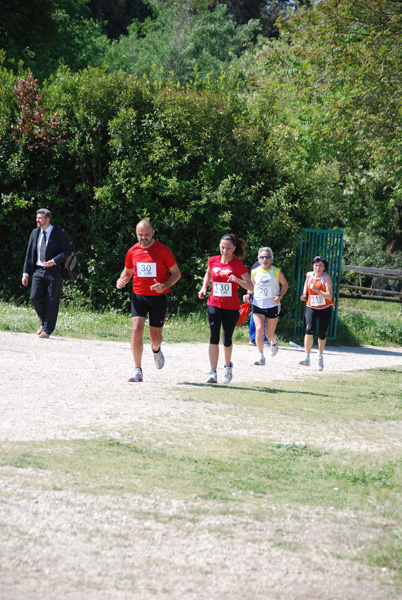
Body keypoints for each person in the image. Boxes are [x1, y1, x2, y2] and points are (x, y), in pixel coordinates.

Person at [116, 219, 181, 382]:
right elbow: (127, 271)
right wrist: (121, 280)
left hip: (158, 298)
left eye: (146, 234)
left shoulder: (163, 251)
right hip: (139, 296)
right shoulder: (133, 251)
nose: (143, 238)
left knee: (155, 337)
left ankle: (156, 349)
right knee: (136, 330)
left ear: (153, 233)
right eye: (140, 235)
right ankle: (137, 370)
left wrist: (164, 285)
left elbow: (176, 273)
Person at [198, 233, 253, 384]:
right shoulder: (213, 261)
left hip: (231, 306)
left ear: (234, 248)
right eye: (222, 247)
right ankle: (212, 372)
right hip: (214, 302)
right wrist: (203, 288)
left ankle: (227, 366)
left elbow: (250, 286)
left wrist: (237, 280)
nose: (225, 251)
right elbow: (208, 274)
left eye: (228, 248)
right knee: (214, 333)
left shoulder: (238, 265)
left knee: (226, 339)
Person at [22, 208, 72, 338]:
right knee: (34, 297)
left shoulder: (59, 233)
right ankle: (43, 322)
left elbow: (67, 251)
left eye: (40, 218)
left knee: (52, 301)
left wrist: (54, 261)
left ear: (47, 219)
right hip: (38, 270)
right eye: (37, 218)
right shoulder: (34, 232)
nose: (37, 220)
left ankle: (47, 330)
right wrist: (25, 273)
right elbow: (29, 254)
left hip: (54, 271)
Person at [246, 247, 288, 366]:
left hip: (272, 305)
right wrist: (248, 294)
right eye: (262, 257)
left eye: (267, 257)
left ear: (271, 259)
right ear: (259, 259)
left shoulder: (276, 271)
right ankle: (261, 356)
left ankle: (274, 341)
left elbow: (285, 285)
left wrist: (280, 295)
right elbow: (252, 287)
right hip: (258, 304)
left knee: (269, 334)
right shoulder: (254, 271)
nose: (265, 259)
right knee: (259, 329)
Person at [299, 255, 334, 371]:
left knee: (321, 334)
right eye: (316, 265)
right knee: (309, 329)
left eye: (320, 266)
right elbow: (306, 282)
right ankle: (306, 357)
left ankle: (320, 356)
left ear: (324, 267)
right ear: (312, 266)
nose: (317, 268)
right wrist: (304, 294)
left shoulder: (326, 277)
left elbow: (329, 296)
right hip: (311, 306)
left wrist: (317, 290)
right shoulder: (309, 275)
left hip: (324, 308)